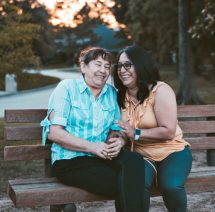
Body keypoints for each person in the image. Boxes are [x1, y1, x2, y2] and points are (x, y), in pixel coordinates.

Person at [40, 47, 145, 212]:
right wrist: (93, 147)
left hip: (101, 157)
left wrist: (118, 141)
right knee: (128, 182)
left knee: (135, 161)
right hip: (69, 160)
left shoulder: (111, 93)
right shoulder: (67, 88)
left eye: (106, 66)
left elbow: (116, 129)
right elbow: (54, 132)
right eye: (98, 64)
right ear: (83, 66)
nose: (103, 70)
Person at [113, 45, 192, 212]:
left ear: (141, 65)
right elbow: (121, 129)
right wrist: (119, 139)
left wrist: (135, 133)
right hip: (141, 156)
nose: (122, 70)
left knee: (170, 186)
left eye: (128, 65)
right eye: (119, 65)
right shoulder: (119, 95)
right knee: (134, 186)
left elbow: (168, 131)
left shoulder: (160, 91)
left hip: (172, 152)